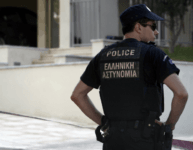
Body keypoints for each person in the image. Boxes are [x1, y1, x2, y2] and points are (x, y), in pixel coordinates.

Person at [71, 4, 188, 150]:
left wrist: (103, 122)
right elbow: (181, 94)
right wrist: (169, 126)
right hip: (145, 138)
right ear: (138, 27)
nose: (156, 32)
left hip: (113, 139)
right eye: (153, 26)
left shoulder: (103, 56)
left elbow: (77, 95)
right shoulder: (153, 54)